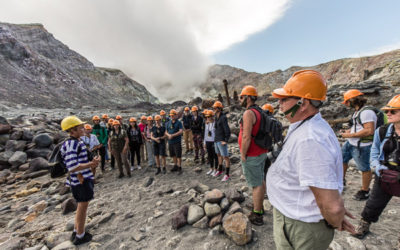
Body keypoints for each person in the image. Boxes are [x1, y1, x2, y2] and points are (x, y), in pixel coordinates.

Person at [267, 70, 355, 249]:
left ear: (303, 103)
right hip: (297, 219)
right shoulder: (305, 125)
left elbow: (333, 207)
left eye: (284, 99)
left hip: (300, 226)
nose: (279, 104)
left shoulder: (310, 138)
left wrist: (333, 217)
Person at [352, 94, 400, 239]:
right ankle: (363, 225)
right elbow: (374, 152)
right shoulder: (383, 131)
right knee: (373, 204)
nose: (388, 114)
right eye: (387, 111)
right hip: (384, 174)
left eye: (393, 111)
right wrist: (378, 168)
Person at [60, 116, 100, 245]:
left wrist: (91, 163)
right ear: (72, 130)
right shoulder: (72, 144)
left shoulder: (76, 141)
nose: (84, 129)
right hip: (80, 180)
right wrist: (90, 165)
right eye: (80, 127)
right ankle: (80, 235)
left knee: (81, 206)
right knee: (83, 206)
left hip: (82, 178)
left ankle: (77, 230)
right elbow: (72, 166)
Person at [238, 85, 268, 225]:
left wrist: (243, 154)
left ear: (248, 97)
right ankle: (259, 205)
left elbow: (246, 137)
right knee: (260, 180)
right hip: (261, 152)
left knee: (256, 185)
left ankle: (257, 214)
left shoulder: (248, 113)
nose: (240, 99)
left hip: (252, 154)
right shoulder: (259, 111)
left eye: (241, 97)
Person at [340, 89, 377, 200]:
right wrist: (349, 132)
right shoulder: (358, 111)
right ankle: (341, 181)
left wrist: (349, 135)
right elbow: (359, 126)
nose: (346, 104)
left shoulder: (366, 112)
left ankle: (365, 191)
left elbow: (369, 131)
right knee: (341, 160)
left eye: (347, 101)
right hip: (351, 143)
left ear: (353, 100)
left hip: (361, 146)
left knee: (364, 168)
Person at [213, 101, 231, 181]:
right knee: (219, 155)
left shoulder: (223, 117)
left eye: (215, 108)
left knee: (225, 157)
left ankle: (227, 174)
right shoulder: (216, 117)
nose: (213, 109)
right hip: (217, 139)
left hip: (221, 140)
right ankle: (220, 170)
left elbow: (227, 129)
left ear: (219, 108)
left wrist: (226, 140)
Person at [166, 109, 184, 174]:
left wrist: (173, 135)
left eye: (173, 115)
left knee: (178, 154)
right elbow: (166, 131)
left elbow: (181, 131)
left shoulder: (179, 123)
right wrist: (168, 135)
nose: (172, 116)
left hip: (177, 141)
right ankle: (175, 165)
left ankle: (179, 167)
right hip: (170, 142)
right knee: (173, 154)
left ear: (176, 115)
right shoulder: (168, 123)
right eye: (171, 115)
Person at [204, 110, 218, 176]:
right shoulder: (207, 124)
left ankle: (216, 169)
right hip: (208, 141)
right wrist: (204, 142)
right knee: (210, 156)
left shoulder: (215, 123)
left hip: (214, 141)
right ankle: (211, 168)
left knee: (215, 156)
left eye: (209, 117)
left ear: (212, 116)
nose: (207, 118)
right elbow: (205, 133)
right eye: (207, 117)